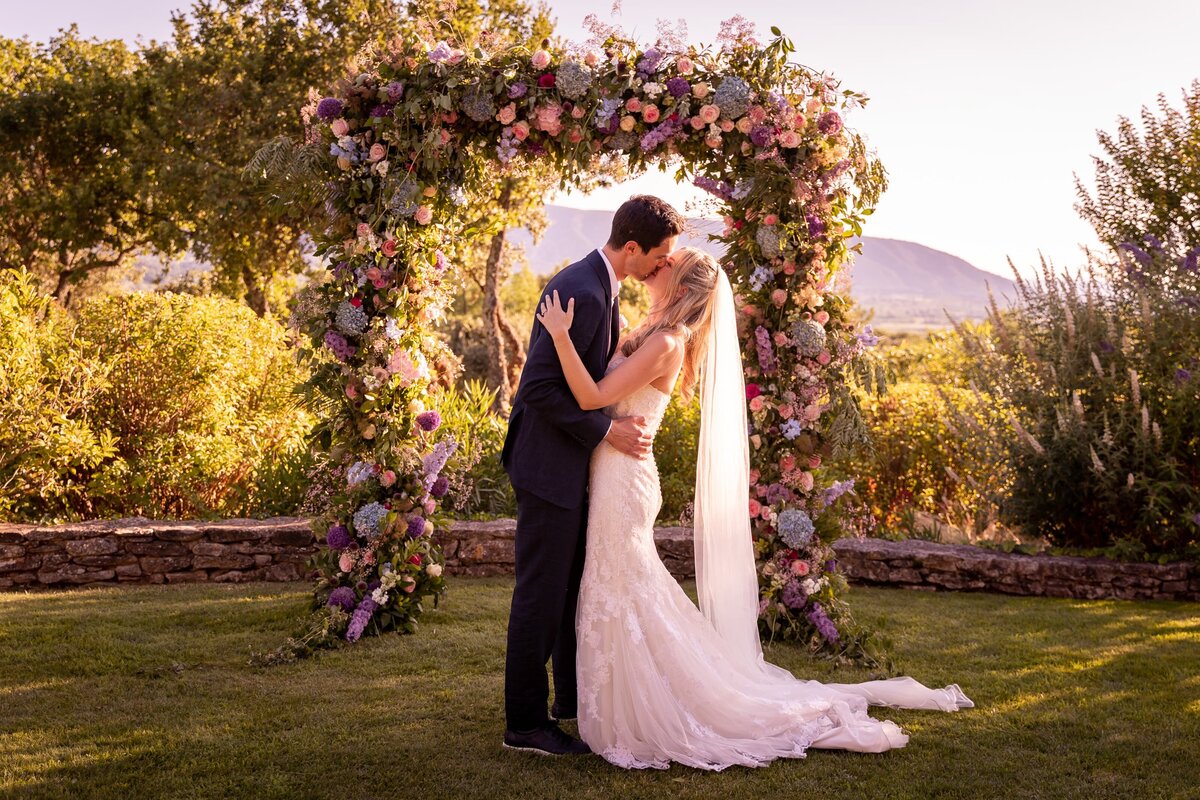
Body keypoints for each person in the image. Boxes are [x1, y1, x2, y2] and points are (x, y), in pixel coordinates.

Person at [535, 246, 974, 770]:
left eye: (664, 268)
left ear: (680, 288)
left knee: (624, 583)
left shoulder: (668, 343)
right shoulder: (649, 335)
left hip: (624, 479)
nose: (654, 270)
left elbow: (590, 398)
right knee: (618, 582)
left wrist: (559, 335)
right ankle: (618, 692)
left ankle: (655, 699)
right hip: (610, 472)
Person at [500, 195, 684, 755]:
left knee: (568, 588)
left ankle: (569, 703)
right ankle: (526, 724)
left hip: (573, 469)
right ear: (633, 248)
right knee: (541, 593)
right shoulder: (581, 288)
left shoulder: (602, 287)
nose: (661, 266)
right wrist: (605, 435)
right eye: (659, 255)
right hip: (549, 467)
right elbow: (537, 390)